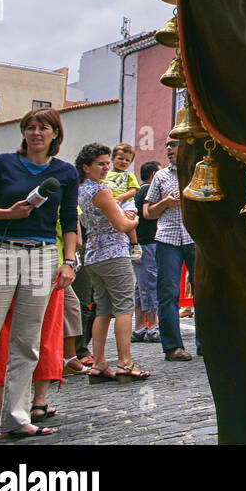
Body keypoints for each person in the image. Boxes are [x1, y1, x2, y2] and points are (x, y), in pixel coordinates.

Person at [0, 108, 79, 442]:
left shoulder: (64, 173)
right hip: (1, 252)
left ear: (55, 134)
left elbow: (68, 219)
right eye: (30, 127)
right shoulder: (2, 164)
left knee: (26, 343)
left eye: (44, 127)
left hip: (43, 255)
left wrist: (69, 261)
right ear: (23, 132)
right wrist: (6, 212)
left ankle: (15, 417)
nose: (36, 132)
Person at [75, 143, 149, 382]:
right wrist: (134, 220)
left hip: (93, 255)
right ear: (86, 167)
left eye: (107, 163)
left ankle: (98, 364)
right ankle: (125, 363)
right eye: (101, 163)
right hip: (113, 254)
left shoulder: (81, 189)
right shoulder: (100, 191)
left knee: (103, 309)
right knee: (124, 307)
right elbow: (121, 225)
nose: (106, 167)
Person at [143, 139, 198, 361]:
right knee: (168, 293)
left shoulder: (199, 171)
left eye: (174, 144)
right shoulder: (161, 177)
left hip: (195, 236)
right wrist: (165, 202)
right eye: (167, 145)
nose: (168, 149)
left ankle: (206, 344)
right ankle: (173, 346)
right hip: (168, 238)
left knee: (202, 292)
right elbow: (148, 213)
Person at [131, 160, 162, 342]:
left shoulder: (140, 191)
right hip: (147, 243)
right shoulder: (147, 190)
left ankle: (139, 327)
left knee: (141, 286)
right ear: (153, 175)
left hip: (142, 243)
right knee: (150, 283)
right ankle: (153, 326)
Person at [103, 143, 142, 261]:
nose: (123, 162)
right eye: (120, 158)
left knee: (129, 220)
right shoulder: (106, 174)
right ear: (113, 159)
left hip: (126, 202)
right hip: (111, 201)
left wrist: (121, 198)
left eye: (127, 160)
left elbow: (133, 190)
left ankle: (134, 243)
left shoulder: (129, 175)